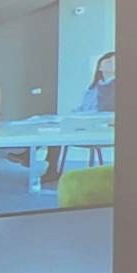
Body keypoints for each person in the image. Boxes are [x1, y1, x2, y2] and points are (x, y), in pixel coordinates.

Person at [42, 50, 115, 187]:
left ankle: (39, 163)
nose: (112, 64)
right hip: (84, 120)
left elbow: (106, 107)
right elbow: (84, 107)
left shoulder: (114, 86)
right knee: (53, 125)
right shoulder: (93, 87)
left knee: (60, 128)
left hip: (100, 124)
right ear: (100, 66)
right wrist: (73, 113)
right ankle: (48, 167)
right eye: (109, 61)